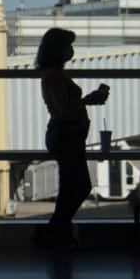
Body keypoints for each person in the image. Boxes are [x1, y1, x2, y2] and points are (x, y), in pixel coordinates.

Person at [33, 27, 108, 250]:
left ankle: (58, 233)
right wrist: (88, 100)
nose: (71, 50)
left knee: (71, 185)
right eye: (68, 46)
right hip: (66, 135)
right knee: (79, 185)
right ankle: (55, 231)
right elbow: (63, 108)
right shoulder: (55, 75)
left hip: (67, 135)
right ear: (59, 50)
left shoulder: (52, 73)